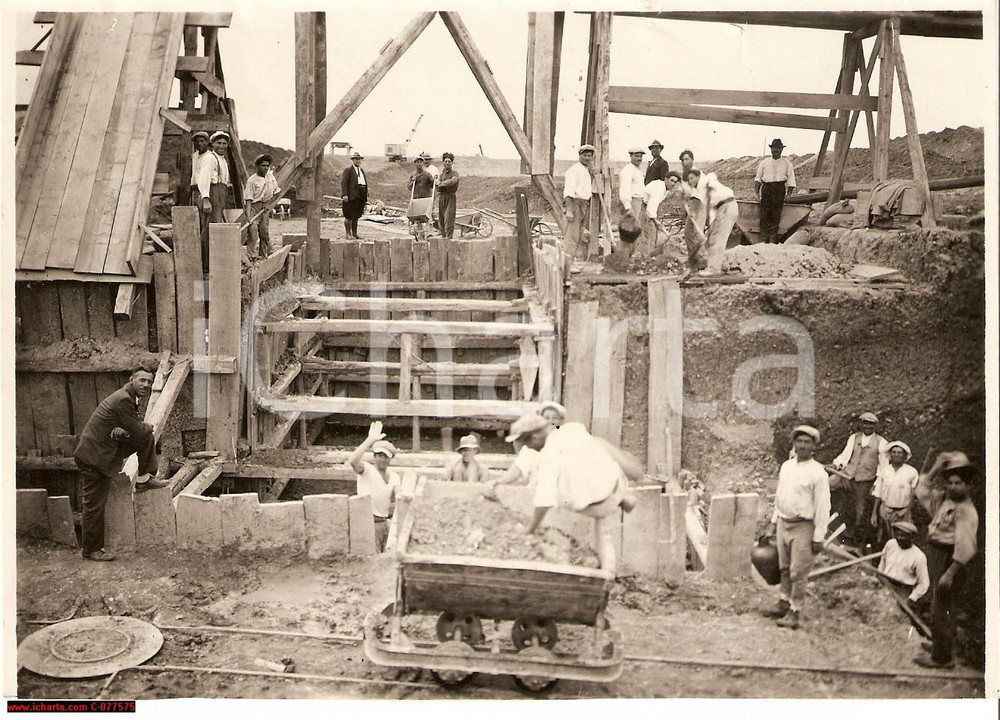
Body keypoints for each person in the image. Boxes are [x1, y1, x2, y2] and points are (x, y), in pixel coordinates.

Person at [519, 415, 642, 573]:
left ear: (535, 437)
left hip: (599, 506)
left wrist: (530, 530)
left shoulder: (548, 458)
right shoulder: (571, 428)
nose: (527, 448)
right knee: (591, 445)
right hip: (617, 482)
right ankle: (622, 499)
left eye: (527, 443)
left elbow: (543, 502)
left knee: (554, 490)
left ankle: (611, 499)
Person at [73, 369, 168, 561]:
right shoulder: (124, 399)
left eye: (150, 382)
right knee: (94, 505)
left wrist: (124, 429)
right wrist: (146, 426)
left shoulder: (128, 397)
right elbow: (138, 430)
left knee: (145, 439)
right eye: (142, 380)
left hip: (102, 450)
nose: (146, 385)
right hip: (93, 458)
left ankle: (143, 479)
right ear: (131, 379)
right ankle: (91, 550)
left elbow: (130, 428)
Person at [912, 452, 979, 669]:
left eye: (958, 483)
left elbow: (966, 547)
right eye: (949, 482)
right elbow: (921, 491)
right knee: (937, 603)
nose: (953, 487)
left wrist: (950, 573)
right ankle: (940, 645)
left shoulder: (966, 511)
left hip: (949, 559)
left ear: (968, 485)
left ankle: (942, 658)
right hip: (936, 553)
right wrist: (935, 467)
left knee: (944, 607)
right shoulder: (944, 500)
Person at [763, 425, 831, 629]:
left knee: (798, 572)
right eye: (799, 441)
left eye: (807, 442)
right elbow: (780, 497)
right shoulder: (787, 466)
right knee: (784, 568)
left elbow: (822, 506)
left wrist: (819, 536)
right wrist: (774, 523)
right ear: (793, 443)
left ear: (813, 447)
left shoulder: (818, 473)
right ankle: (783, 603)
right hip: (785, 522)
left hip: (804, 526)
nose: (802, 445)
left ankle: (795, 610)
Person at [830, 411, 888, 548]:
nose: (868, 426)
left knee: (860, 511)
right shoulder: (854, 438)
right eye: (865, 423)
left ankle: (856, 540)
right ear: (861, 424)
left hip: (864, 482)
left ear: (875, 426)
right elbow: (844, 457)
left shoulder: (882, 442)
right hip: (847, 476)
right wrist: (835, 465)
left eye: (871, 424)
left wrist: (877, 483)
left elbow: (883, 466)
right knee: (826, 484)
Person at [348, 421, 401, 552]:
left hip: (384, 523)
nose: (382, 460)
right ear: (374, 457)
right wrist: (369, 440)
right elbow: (353, 461)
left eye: (385, 456)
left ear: (390, 459)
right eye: (379, 456)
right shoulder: (367, 470)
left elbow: (398, 497)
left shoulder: (394, 477)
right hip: (367, 522)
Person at [684, 168, 737, 276]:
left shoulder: (705, 183)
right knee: (713, 238)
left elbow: (711, 179)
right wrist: (711, 226)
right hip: (723, 208)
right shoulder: (701, 188)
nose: (690, 182)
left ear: (698, 176)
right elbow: (711, 208)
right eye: (688, 180)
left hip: (726, 206)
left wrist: (712, 225)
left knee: (718, 239)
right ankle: (719, 265)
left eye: (692, 178)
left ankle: (714, 269)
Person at [482, 414, 547, 501]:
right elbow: (516, 471)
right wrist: (498, 482)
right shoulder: (529, 452)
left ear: (535, 437)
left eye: (524, 440)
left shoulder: (558, 447)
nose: (524, 445)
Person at [197, 131, 234, 272]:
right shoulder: (210, 158)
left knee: (216, 227)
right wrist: (206, 199)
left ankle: (213, 261)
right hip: (212, 194)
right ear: (212, 144)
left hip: (220, 194)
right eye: (218, 143)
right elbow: (203, 179)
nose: (222, 146)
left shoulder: (222, 160)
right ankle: (206, 265)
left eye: (224, 143)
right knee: (208, 229)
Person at [870, 440, 919, 545]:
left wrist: (909, 511)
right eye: (894, 452)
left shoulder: (912, 472)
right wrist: (874, 513)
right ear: (890, 455)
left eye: (899, 452)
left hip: (903, 512)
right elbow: (878, 492)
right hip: (886, 511)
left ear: (904, 456)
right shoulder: (885, 471)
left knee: (902, 539)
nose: (896, 455)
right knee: (886, 539)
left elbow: (914, 495)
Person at [754, 138, 797, 243]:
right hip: (767, 189)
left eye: (778, 148)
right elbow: (758, 179)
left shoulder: (787, 163)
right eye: (774, 148)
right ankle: (763, 240)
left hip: (779, 189)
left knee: (776, 215)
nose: (776, 150)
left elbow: (791, 179)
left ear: (781, 150)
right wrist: (756, 193)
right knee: (764, 214)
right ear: (771, 149)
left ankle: (773, 239)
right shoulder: (764, 163)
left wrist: (789, 194)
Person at [878, 521, 930, 605]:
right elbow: (883, 562)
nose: (899, 538)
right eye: (897, 535)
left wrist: (911, 598)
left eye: (902, 535)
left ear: (912, 537)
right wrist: (880, 577)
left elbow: (924, 583)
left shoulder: (919, 556)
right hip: (886, 583)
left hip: (903, 589)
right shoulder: (891, 544)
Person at [562, 145, 595, 267]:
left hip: (584, 204)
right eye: (585, 155)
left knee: (580, 235)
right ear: (579, 156)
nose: (587, 158)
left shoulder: (586, 170)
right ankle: (566, 265)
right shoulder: (574, 170)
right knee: (572, 236)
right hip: (575, 203)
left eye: (589, 156)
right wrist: (570, 210)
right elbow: (568, 191)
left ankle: (571, 263)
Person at [243, 154, 279, 258]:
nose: (266, 168)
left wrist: (269, 204)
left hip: (265, 207)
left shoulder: (270, 177)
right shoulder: (252, 180)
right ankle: (251, 256)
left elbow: (276, 193)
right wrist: (249, 215)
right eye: (263, 165)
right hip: (254, 207)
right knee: (253, 233)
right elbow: (248, 199)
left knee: (264, 232)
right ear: (257, 166)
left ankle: (263, 256)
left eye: (267, 165)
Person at [618, 147, 647, 258]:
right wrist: (628, 206)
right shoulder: (628, 170)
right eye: (636, 156)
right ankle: (623, 257)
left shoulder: (637, 170)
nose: (638, 158)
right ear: (630, 156)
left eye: (640, 156)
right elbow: (624, 189)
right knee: (628, 231)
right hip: (631, 202)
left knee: (634, 231)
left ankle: (630, 256)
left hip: (638, 201)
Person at [340, 151, 368, 240]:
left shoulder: (362, 171)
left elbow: (364, 183)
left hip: (361, 195)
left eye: (359, 159)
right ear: (353, 160)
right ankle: (348, 234)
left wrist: (366, 193)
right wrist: (345, 194)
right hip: (351, 195)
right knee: (348, 215)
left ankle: (355, 233)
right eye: (356, 159)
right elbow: (344, 182)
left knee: (356, 214)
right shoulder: (348, 170)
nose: (358, 161)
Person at [437, 152, 460, 239]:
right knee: (441, 219)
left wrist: (441, 184)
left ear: (452, 163)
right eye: (445, 161)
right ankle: (443, 239)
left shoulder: (455, 173)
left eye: (449, 161)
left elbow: (452, 181)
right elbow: (437, 187)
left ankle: (449, 239)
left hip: (450, 197)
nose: (447, 163)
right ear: (443, 162)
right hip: (442, 197)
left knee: (449, 219)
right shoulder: (441, 175)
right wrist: (437, 185)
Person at [189, 131, 211, 206]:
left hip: (206, 190)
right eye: (197, 142)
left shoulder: (209, 157)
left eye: (202, 141)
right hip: (195, 189)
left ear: (207, 142)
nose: (199, 144)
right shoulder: (194, 156)